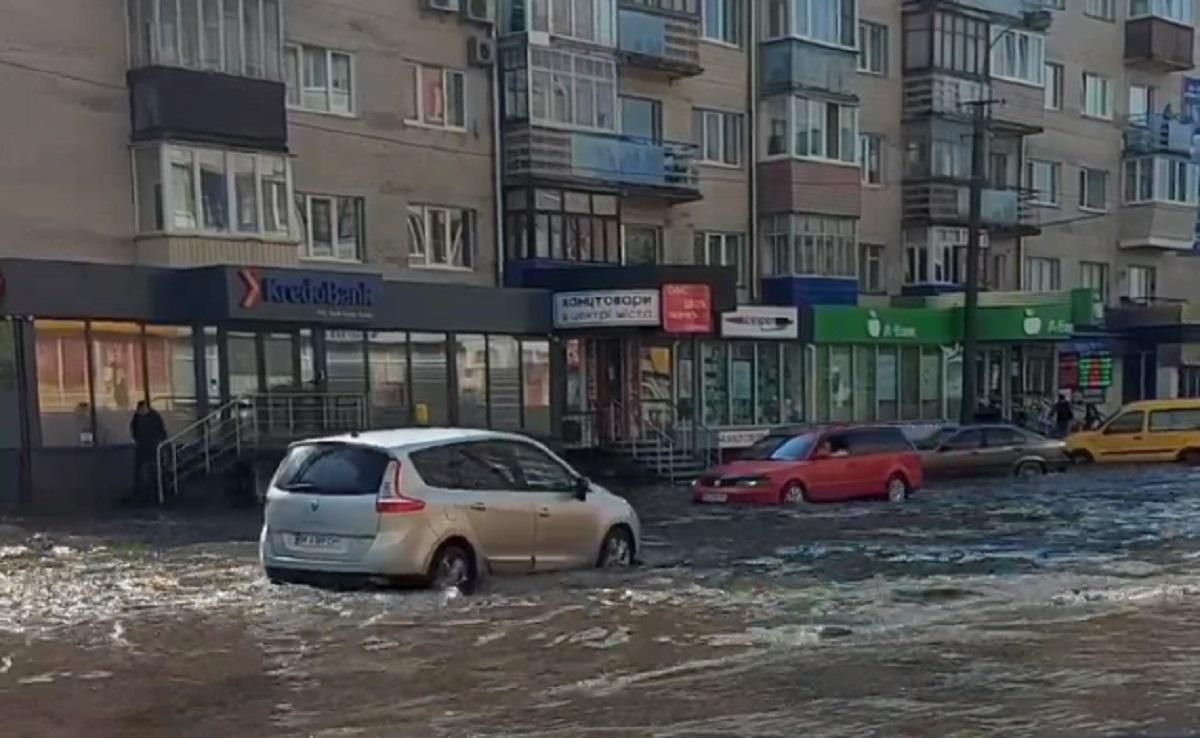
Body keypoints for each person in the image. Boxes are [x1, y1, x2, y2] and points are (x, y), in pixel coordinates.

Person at [130, 401, 167, 504]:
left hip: (152, 448)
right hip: (144, 449)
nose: (141, 412)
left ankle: (155, 494)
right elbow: (134, 431)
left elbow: (161, 430)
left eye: (142, 410)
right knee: (143, 473)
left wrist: (161, 440)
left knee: (153, 471)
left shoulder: (153, 417)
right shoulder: (138, 418)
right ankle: (145, 495)